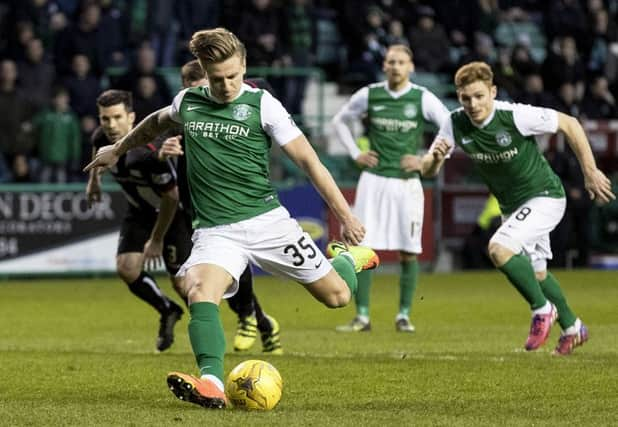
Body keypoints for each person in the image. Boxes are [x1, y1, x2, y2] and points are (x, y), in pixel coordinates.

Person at [84, 27, 379, 409]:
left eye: (233, 76)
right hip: (216, 231)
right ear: (204, 71)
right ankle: (211, 383)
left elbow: (309, 161)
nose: (225, 86)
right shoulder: (188, 102)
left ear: (243, 65)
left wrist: (345, 216)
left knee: (338, 296)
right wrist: (118, 148)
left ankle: (346, 259)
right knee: (197, 290)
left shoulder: (263, 105)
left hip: (267, 222)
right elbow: (155, 123)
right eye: (217, 78)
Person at [418, 61, 615, 355]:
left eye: (479, 96)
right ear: (458, 97)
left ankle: (542, 310)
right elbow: (428, 171)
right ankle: (574, 328)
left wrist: (589, 171)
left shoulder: (515, 115)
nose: (473, 104)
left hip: (544, 196)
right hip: (512, 206)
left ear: (493, 92)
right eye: (465, 98)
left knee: (499, 248)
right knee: (536, 274)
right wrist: (434, 158)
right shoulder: (455, 122)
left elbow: (570, 124)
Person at [165, 59, 284, 355]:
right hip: (193, 199)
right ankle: (263, 323)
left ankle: (247, 317)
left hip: (233, 197)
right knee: (194, 276)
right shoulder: (185, 109)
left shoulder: (244, 95)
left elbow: (266, 102)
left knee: (230, 258)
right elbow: (156, 134)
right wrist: (164, 150)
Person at [330, 44, 449, 333]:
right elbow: (339, 120)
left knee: (408, 251)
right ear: (384, 66)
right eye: (391, 61)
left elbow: (450, 126)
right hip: (373, 181)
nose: (395, 66)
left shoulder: (421, 98)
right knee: (360, 248)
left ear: (411, 67)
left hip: (407, 185)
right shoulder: (370, 94)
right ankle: (362, 316)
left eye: (401, 62)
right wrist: (354, 153)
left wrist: (426, 159)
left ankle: (404, 315)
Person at [86, 89, 186, 352]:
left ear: (131, 118)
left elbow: (172, 199)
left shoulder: (149, 153)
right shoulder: (100, 137)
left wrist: (156, 240)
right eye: (105, 118)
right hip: (139, 212)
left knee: (183, 283)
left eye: (117, 117)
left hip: (172, 217)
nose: (111, 125)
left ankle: (208, 332)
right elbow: (97, 154)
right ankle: (167, 309)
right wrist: (93, 183)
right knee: (127, 268)